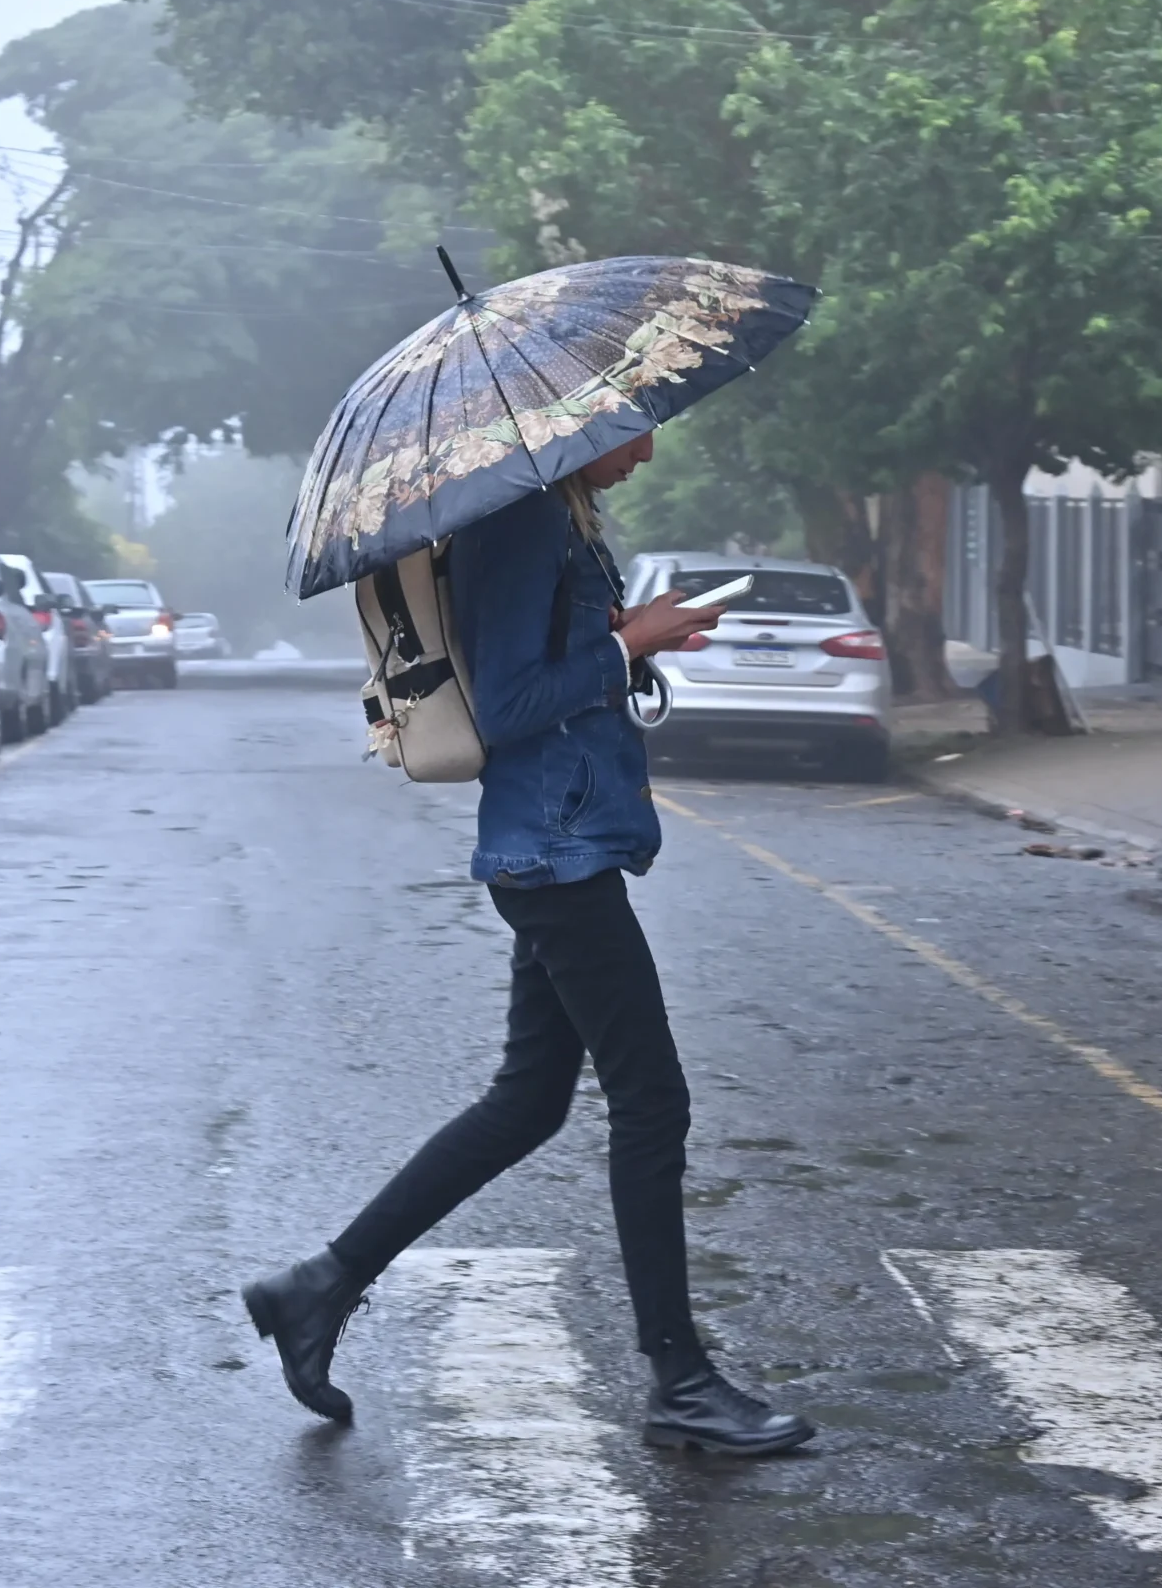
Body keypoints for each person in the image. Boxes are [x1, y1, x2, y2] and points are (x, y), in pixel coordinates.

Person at [243, 430, 816, 1457]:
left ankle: (315, 1288)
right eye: (633, 428)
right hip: (555, 853)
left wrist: (619, 632)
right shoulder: (518, 521)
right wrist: (627, 644)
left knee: (529, 1101)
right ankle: (679, 1381)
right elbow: (507, 702)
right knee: (651, 1102)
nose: (647, 449)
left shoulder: (552, 517)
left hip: (558, 843)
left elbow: (544, 666)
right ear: (580, 426)